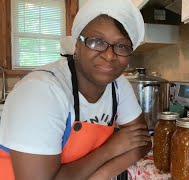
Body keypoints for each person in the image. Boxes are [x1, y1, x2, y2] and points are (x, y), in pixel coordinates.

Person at [0, 0, 151, 179]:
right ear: (76, 45)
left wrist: (101, 175)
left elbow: (143, 142)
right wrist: (109, 150)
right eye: (96, 42)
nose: (109, 55)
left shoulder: (118, 85)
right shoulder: (40, 92)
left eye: (122, 46)